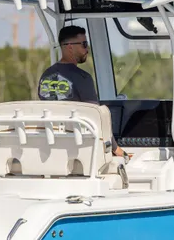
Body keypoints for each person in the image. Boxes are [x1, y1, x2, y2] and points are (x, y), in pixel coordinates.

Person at [38, 25, 128, 158]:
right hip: (78, 150)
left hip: (51, 148)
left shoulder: (45, 75)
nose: (87, 49)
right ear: (69, 47)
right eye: (84, 44)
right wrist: (116, 149)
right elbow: (97, 117)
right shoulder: (83, 78)